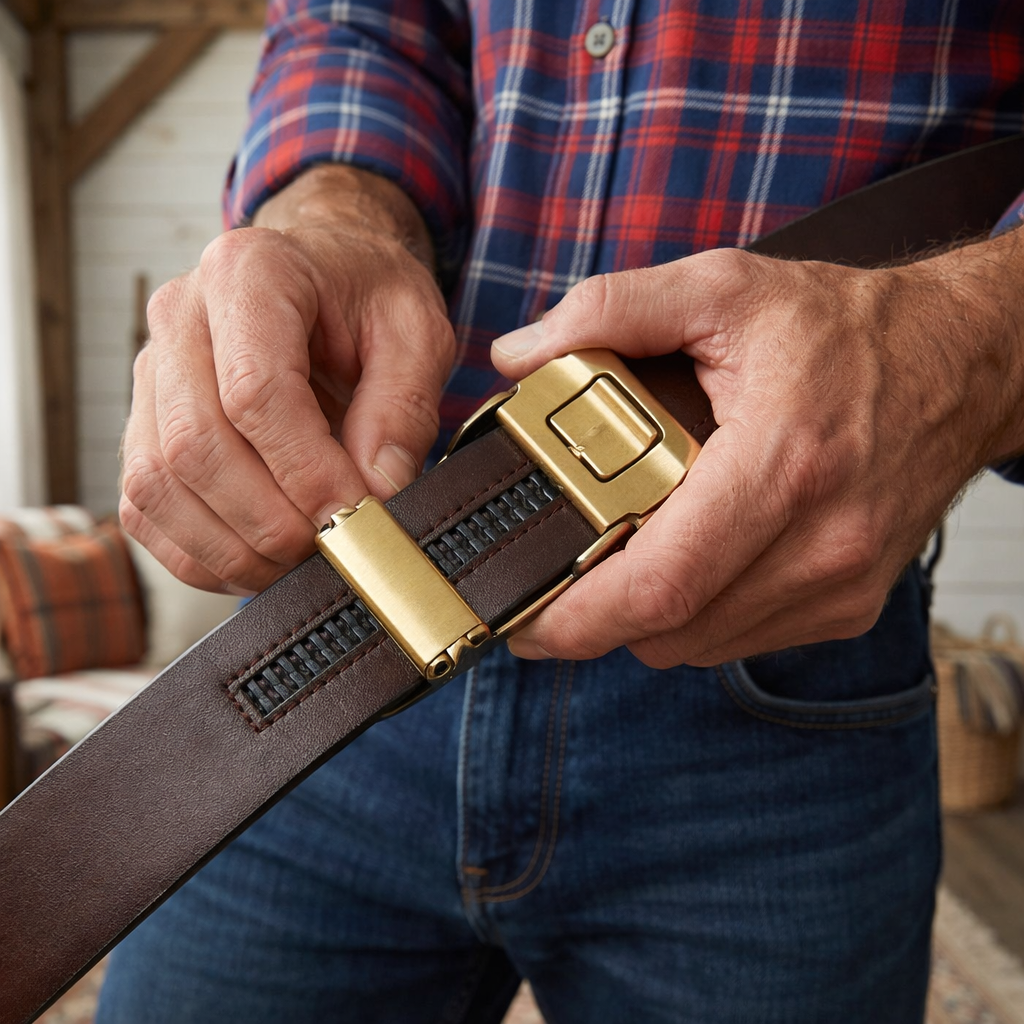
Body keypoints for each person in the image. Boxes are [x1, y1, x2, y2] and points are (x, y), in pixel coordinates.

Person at [99, 2, 1024, 1022]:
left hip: (777, 641)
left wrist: (971, 342)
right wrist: (332, 217)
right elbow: (359, 25)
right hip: (338, 617)